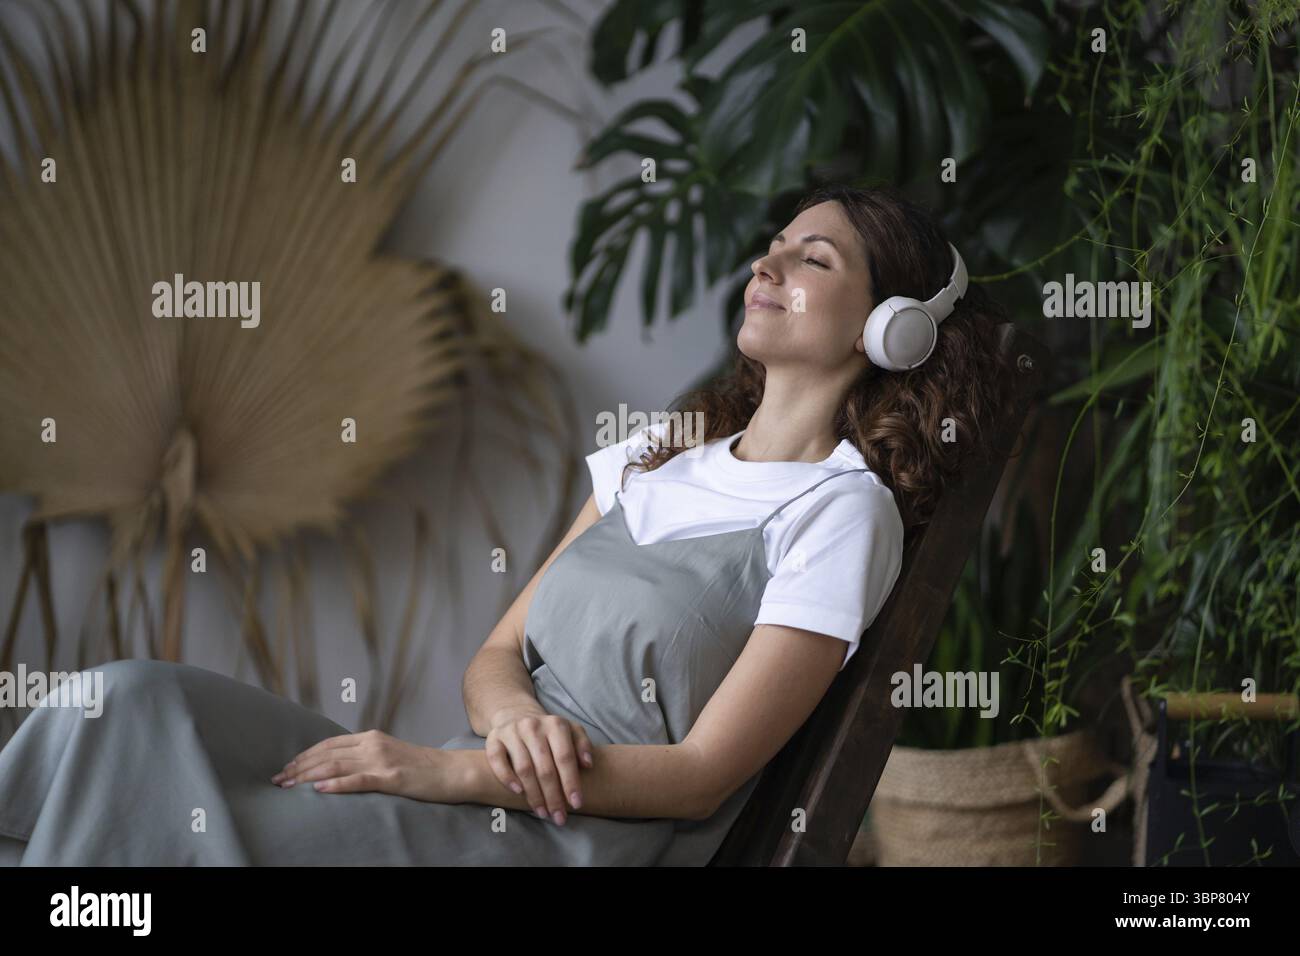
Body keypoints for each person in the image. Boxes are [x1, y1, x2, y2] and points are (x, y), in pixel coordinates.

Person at [0, 182, 1015, 865]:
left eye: (813, 258)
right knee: (119, 703)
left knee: (176, 833)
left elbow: (705, 773)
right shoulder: (654, 456)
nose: (768, 265)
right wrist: (502, 727)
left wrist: (447, 768)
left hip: (553, 838)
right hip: (465, 775)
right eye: (772, 247)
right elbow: (497, 652)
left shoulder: (842, 512)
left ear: (892, 325)